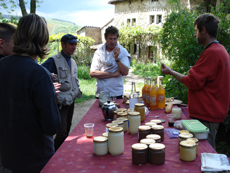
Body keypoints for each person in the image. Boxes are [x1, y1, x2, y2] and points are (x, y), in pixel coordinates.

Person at [0, 14, 60, 173]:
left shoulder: (2, 65)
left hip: (6, 157)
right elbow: (51, 126)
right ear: (43, 40)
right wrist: (50, 96)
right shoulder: (40, 75)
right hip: (35, 160)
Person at [161, 14, 230, 149]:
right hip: (210, 114)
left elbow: (192, 82)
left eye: (196, 31)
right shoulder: (219, 50)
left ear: (204, 30)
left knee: (205, 154)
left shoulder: (213, 53)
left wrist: (170, 72)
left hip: (207, 116)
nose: (195, 35)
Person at [42, 34, 82, 151]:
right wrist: (50, 76)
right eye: (71, 44)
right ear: (63, 45)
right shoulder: (53, 60)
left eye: (75, 44)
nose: (73, 47)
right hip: (60, 103)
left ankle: (61, 153)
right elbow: (39, 72)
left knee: (67, 128)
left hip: (71, 100)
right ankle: (53, 156)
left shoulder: (73, 62)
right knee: (61, 132)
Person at [90, 26, 131, 99]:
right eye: (110, 39)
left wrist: (117, 59)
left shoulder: (123, 51)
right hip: (101, 93)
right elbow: (92, 73)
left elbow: (125, 72)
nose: (113, 42)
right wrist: (113, 74)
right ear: (105, 38)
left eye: (115, 39)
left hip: (116, 93)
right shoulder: (98, 52)